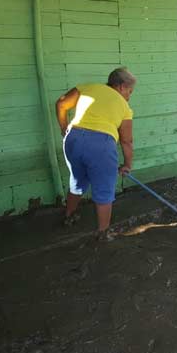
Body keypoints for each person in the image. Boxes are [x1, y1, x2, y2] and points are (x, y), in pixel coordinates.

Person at [55, 67, 136, 241]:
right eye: (130, 91)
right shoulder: (124, 106)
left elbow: (61, 104)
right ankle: (103, 233)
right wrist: (127, 165)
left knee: (77, 180)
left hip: (73, 139)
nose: (129, 96)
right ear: (121, 87)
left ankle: (69, 216)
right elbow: (126, 141)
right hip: (101, 145)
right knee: (104, 190)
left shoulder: (89, 87)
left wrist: (64, 129)